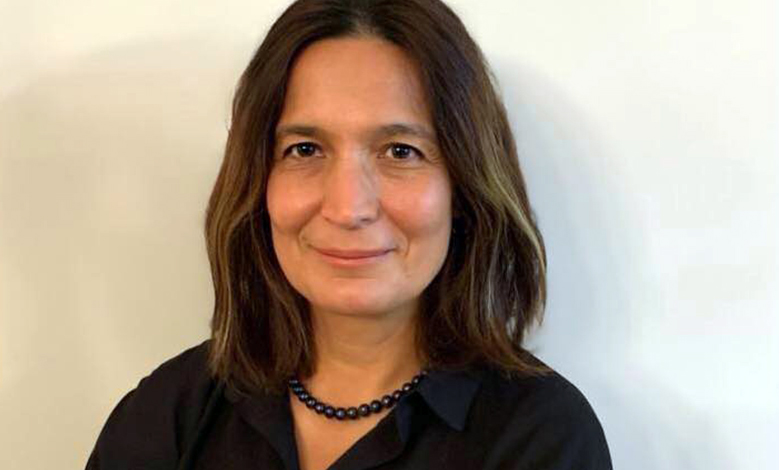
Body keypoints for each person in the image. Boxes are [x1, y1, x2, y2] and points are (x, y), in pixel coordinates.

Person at [86, 0, 613, 469]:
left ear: (464, 188)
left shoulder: (541, 436)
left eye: (401, 151)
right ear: (258, 182)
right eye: (305, 150)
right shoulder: (170, 414)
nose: (348, 208)